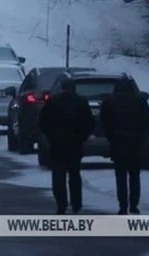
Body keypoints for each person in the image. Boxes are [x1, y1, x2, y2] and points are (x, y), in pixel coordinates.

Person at [38, 77, 95, 214]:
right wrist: (82, 137)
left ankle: (61, 204)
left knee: (58, 176)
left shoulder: (53, 102)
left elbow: (43, 122)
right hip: (75, 144)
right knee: (74, 175)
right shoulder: (81, 102)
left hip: (57, 145)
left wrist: (50, 138)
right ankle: (76, 204)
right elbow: (89, 123)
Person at [101, 77, 149, 215]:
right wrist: (142, 140)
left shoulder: (109, 102)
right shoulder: (140, 102)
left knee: (121, 176)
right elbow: (147, 123)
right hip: (135, 144)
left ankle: (122, 205)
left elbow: (104, 123)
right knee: (135, 175)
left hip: (118, 143)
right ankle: (134, 205)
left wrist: (111, 138)